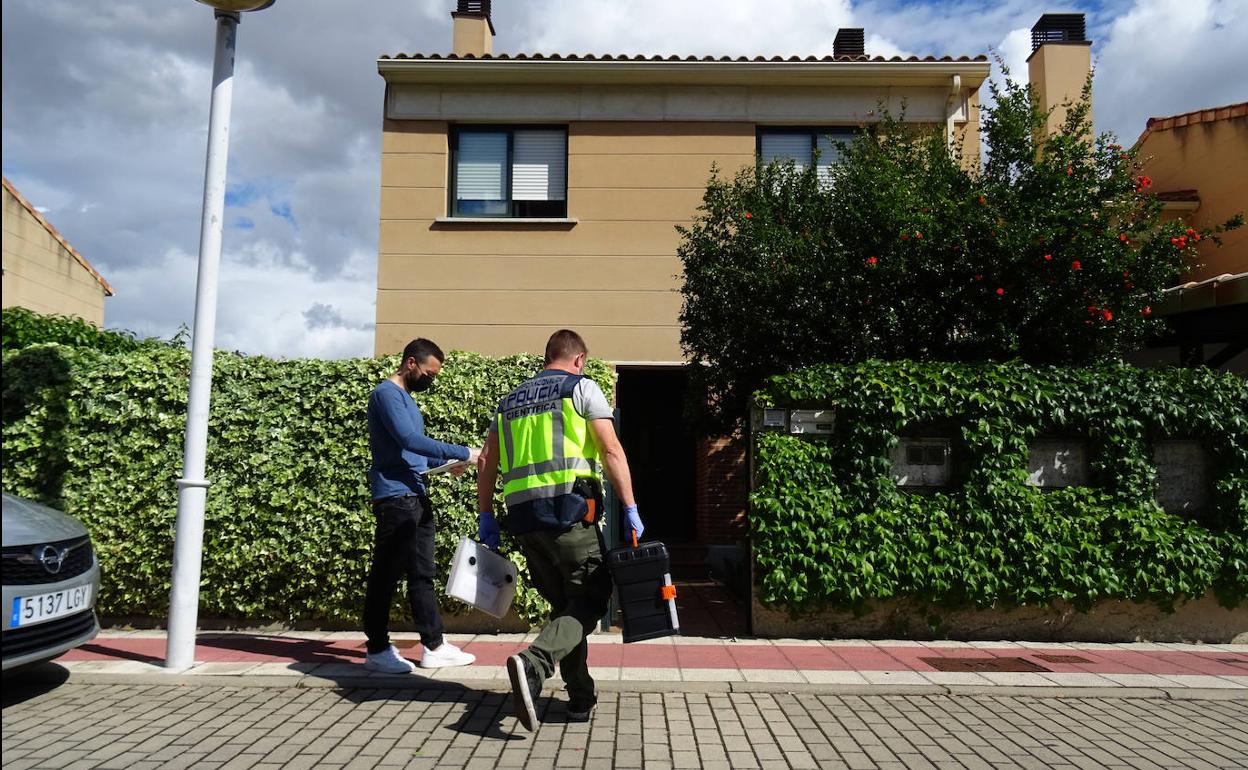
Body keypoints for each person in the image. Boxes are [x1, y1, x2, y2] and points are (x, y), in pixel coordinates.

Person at [476, 329, 644, 731]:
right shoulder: (581, 389)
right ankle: (533, 663)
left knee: (565, 610)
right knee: (592, 598)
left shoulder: (510, 400)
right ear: (579, 359)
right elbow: (610, 450)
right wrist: (631, 506)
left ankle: (580, 699)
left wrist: (486, 515)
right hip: (569, 517)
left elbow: (486, 461)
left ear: (547, 355)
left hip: (524, 523)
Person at [363, 337, 481, 673]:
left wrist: (446, 466)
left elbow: (413, 454)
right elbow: (409, 440)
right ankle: (376, 649)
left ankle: (434, 646)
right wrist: (462, 452)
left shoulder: (407, 401)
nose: (430, 380)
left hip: (415, 493)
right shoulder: (386, 395)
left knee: (422, 573)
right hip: (395, 498)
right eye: (428, 374)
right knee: (385, 574)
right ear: (411, 363)